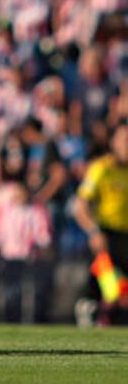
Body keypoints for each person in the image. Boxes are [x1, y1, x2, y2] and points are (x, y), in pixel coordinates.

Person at [73, 123, 128, 325]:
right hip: (106, 236)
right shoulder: (101, 169)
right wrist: (94, 232)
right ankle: (91, 311)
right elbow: (80, 205)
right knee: (108, 286)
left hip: (126, 236)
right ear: (114, 143)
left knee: (120, 293)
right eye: (125, 140)